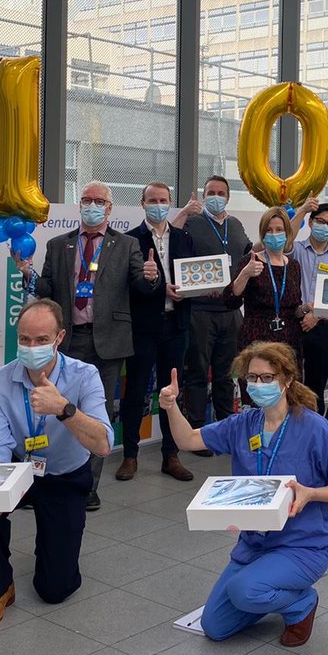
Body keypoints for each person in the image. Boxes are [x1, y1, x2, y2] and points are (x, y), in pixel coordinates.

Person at [160, 341, 328, 647]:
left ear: (287, 380)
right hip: (254, 544)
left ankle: (300, 604)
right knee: (215, 626)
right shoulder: (243, 424)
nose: (257, 385)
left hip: (302, 546)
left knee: (245, 591)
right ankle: (265, 591)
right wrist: (171, 406)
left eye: (267, 378)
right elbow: (187, 440)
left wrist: (310, 494)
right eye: (252, 378)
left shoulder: (316, 430)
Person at [0, 299, 113, 629]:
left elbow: (103, 444)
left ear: (59, 337)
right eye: (24, 339)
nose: (32, 347)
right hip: (20, 469)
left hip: (65, 475)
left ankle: (52, 549)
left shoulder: (84, 376)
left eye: (41, 340)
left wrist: (64, 409)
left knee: (54, 589)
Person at [18, 180, 159, 511]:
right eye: (86, 200)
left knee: (97, 414)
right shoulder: (59, 245)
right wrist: (27, 272)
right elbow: (47, 288)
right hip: (67, 339)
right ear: (79, 205)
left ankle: (88, 486)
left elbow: (140, 284)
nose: (92, 205)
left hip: (108, 342)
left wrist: (151, 277)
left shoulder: (126, 245)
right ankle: (45, 479)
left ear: (110, 208)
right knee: (54, 410)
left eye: (99, 201)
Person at [118, 182, 195, 482]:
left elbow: (192, 274)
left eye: (163, 200)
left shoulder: (184, 238)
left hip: (176, 326)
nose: (158, 205)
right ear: (142, 203)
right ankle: (130, 456)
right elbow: (127, 284)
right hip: (142, 328)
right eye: (153, 200)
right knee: (135, 392)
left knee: (171, 393)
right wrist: (161, 286)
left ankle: (170, 455)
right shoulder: (129, 240)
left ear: (170, 203)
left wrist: (190, 289)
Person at [175, 176, 253, 433]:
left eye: (221, 192)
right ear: (203, 195)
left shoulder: (237, 225)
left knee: (226, 373)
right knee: (197, 372)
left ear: (228, 197)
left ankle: (226, 428)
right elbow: (169, 241)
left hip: (231, 311)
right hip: (199, 310)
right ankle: (197, 430)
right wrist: (185, 211)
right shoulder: (192, 223)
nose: (216, 196)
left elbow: (246, 258)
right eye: (211, 192)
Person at [288, 199, 328, 421]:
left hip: (323, 326)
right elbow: (286, 238)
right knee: (290, 379)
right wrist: (303, 209)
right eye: (321, 221)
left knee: (317, 382)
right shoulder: (295, 250)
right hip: (293, 322)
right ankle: (289, 426)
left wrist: (316, 315)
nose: (325, 227)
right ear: (311, 222)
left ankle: (314, 428)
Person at [224, 207, 305, 360]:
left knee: (288, 384)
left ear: (287, 233)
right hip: (256, 341)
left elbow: (294, 309)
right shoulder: (250, 261)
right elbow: (230, 300)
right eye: (269, 230)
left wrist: (306, 309)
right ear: (262, 233)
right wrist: (245, 274)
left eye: (279, 229)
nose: (274, 234)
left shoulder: (294, 266)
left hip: (288, 343)